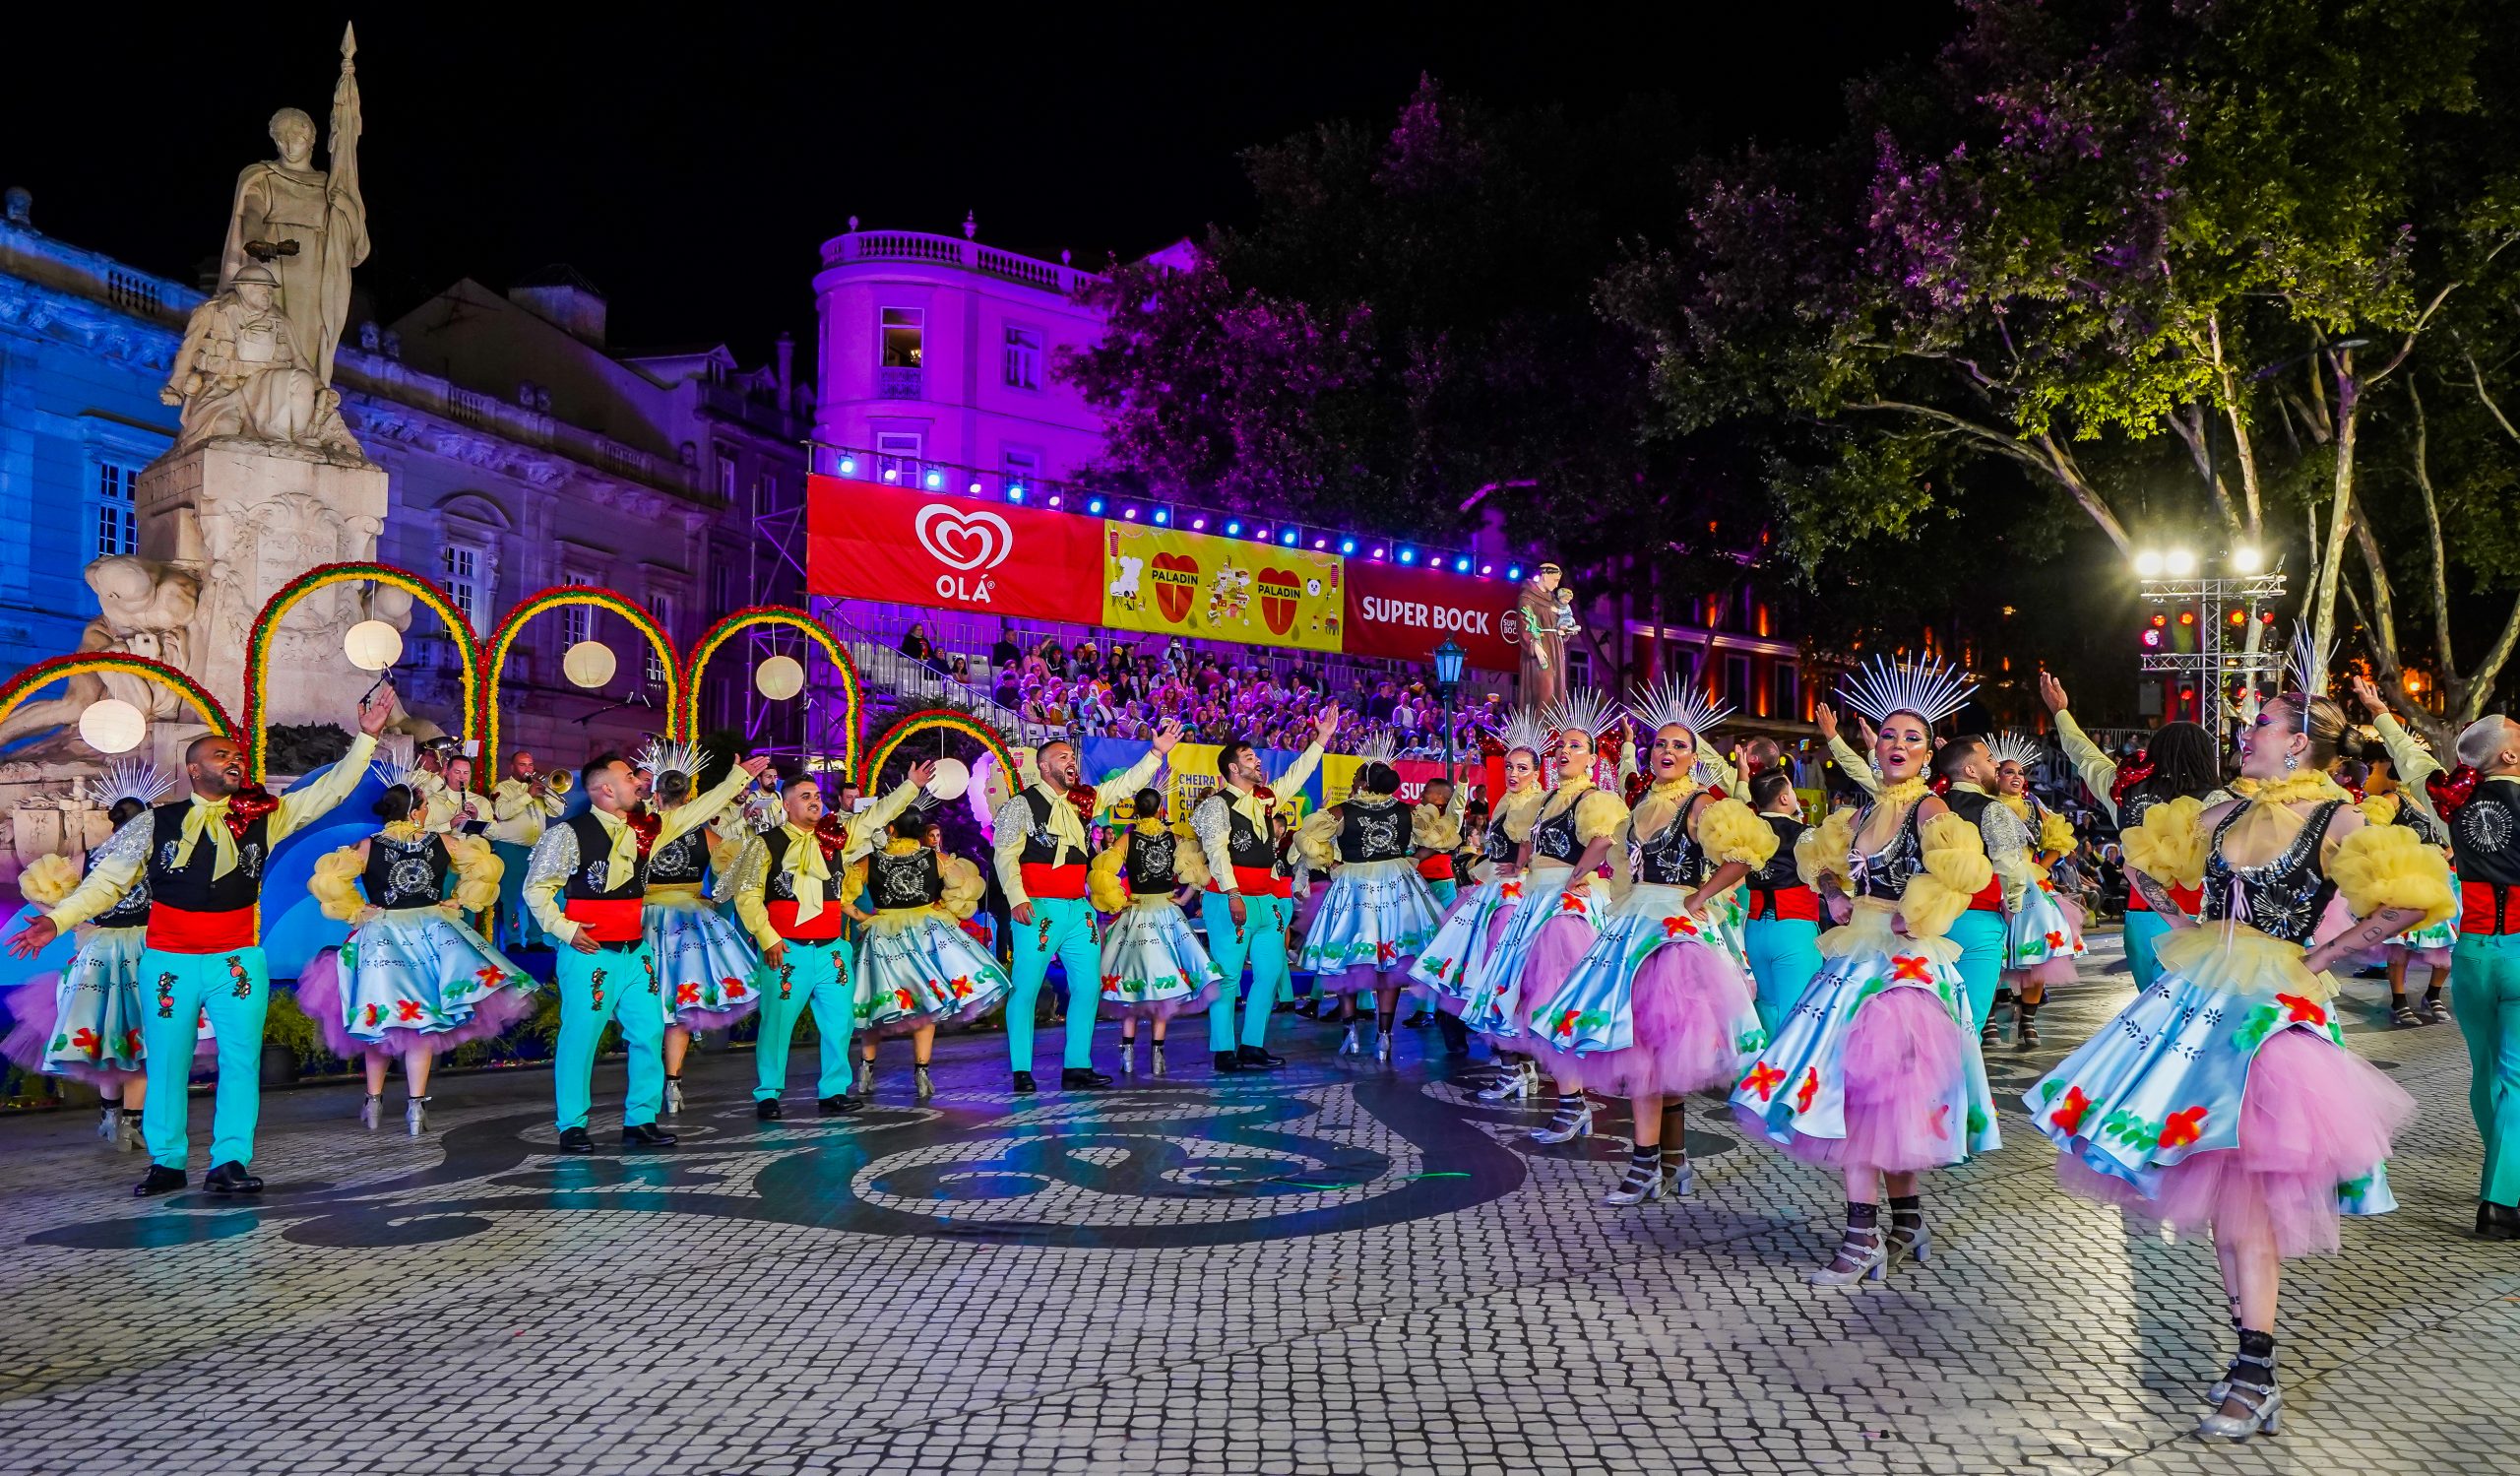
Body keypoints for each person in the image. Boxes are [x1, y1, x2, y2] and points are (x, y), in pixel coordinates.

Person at [2027, 650, 2441, 1439]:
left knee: (2248, 1194)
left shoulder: (2337, 817)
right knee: (2222, 1199)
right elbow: (2147, 867)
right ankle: (2249, 1362)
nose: (2245, 734)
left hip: (2273, 1017)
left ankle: (2255, 1365)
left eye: (2261, 725)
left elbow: (2408, 898)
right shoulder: (2220, 812)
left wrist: (2319, 957)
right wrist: (2181, 920)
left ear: (2299, 743)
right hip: (2200, 999)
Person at [9, 687, 396, 1196]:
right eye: (222, 756)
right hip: (169, 962)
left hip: (236, 960)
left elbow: (327, 793)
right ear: (195, 770)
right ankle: (166, 1162)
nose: (234, 761)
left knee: (241, 1061)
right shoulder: (154, 822)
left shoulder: (265, 815)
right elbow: (106, 883)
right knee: (168, 1062)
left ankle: (229, 1161)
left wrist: (366, 739)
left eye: (236, 756)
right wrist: (56, 922)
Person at [1730, 656, 2001, 1285]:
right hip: (1854, 958)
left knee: (1876, 1098)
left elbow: (1965, 871)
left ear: (1930, 752)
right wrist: (1833, 894)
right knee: (1867, 1100)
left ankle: (1866, 1237)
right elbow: (1819, 862)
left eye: (1912, 737)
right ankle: (1902, 1225)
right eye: (1888, 735)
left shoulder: (1932, 811)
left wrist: (1919, 913)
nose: (1897, 745)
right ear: (1871, 745)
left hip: (1903, 974)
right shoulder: (1856, 815)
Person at [1533, 681, 1771, 1205]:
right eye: (1660, 744)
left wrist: (1703, 894)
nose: (1666, 752)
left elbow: (1747, 852)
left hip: (1676, 932)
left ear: (1694, 756)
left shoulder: (1703, 802)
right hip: (1635, 921)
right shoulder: (1638, 803)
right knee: (1640, 1049)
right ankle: (1659, 1163)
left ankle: (1660, 1163)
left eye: (1679, 746)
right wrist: (1586, 878)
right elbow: (1617, 856)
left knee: (1661, 1051)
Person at [524, 747, 770, 1153]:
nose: (639, 783)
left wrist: (735, 779)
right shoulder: (568, 833)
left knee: (649, 1032)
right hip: (590, 952)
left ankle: (640, 1119)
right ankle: (571, 1124)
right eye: (628, 778)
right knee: (580, 1037)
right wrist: (565, 929)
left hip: (637, 951)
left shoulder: (645, 829)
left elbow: (692, 814)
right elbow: (536, 888)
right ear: (605, 789)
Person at [298, 763, 534, 1134]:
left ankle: (373, 1103)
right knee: (422, 1024)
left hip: (381, 936)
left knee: (378, 1020)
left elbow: (327, 879)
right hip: (432, 935)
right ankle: (415, 1108)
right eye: (424, 806)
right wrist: (460, 900)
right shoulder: (442, 841)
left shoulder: (367, 846)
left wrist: (357, 910)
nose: (427, 812)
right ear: (416, 809)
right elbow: (486, 868)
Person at [1, 762, 206, 1151]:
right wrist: (63, 921)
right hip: (147, 948)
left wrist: (64, 921)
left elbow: (45, 890)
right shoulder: (157, 857)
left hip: (105, 950)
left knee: (110, 1040)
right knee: (141, 1041)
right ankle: (129, 1123)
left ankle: (113, 1118)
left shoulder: (87, 858)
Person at [1465, 689, 1627, 1129]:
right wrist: (1521, 867)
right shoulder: (1544, 801)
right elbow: (1525, 843)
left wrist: (1579, 872)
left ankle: (1573, 1103)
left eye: (1576, 746)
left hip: (1565, 903)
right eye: (1561, 746)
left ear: (1592, 758)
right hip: (1537, 896)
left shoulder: (1593, 797)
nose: (1565, 752)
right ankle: (1566, 1100)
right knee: (1530, 999)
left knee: (1557, 1001)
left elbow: (1605, 837)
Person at [992, 725, 1182, 1091]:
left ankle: (1077, 1065)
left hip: (1077, 909)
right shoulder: (1022, 804)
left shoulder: (1082, 800)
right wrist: (1016, 898)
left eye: (1072, 757)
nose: (1071, 763)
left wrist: (1155, 754)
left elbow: (1123, 786)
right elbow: (1005, 854)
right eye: (1063, 758)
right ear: (1044, 767)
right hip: (1037, 908)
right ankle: (1021, 1069)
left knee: (1088, 986)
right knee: (1026, 988)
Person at [728, 764, 924, 1117]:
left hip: (831, 947)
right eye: (806, 797)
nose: (815, 802)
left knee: (839, 1023)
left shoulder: (835, 837)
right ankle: (768, 1093)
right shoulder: (765, 843)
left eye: (817, 796)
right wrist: (768, 938)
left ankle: (833, 1090)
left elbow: (876, 815)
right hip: (786, 949)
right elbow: (747, 895)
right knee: (776, 1025)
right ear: (787, 806)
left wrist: (911, 786)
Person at [2041, 673, 2230, 991]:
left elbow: (2085, 757)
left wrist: (2060, 711)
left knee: (2153, 1018)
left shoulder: (2124, 792)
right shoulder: (2218, 802)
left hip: (2140, 919)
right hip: (2198, 920)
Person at [1192, 708, 1338, 1073]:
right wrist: (1233, 894)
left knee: (1270, 973)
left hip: (1265, 901)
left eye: (1256, 756)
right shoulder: (1216, 805)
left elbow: (1296, 775)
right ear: (1232, 769)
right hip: (1231, 900)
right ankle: (1224, 1051)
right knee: (1227, 975)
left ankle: (1253, 1045)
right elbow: (1216, 853)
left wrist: (1320, 740)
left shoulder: (1264, 799)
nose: (1258, 761)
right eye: (1249, 758)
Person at [633, 740, 766, 1114]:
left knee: (648, 1004)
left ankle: (648, 1084)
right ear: (690, 795)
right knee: (682, 1007)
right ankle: (673, 1082)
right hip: (692, 922)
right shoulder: (707, 835)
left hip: (646, 920)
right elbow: (732, 878)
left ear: (656, 797)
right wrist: (712, 898)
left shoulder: (645, 830)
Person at [1292, 745, 1448, 1062]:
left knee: (1349, 958)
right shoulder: (1408, 811)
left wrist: (1331, 862)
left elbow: (1306, 841)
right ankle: (1385, 1035)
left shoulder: (1341, 811)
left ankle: (1350, 1031)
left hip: (1355, 886)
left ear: (1363, 783)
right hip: (1396, 885)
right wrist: (1411, 860)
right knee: (1391, 966)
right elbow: (1438, 839)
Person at [844, 810, 1012, 1097]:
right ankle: (922, 1074)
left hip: (883, 936)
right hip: (927, 933)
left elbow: (841, 895)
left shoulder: (870, 860)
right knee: (928, 1006)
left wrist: (863, 917)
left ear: (892, 830)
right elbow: (963, 892)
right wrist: (947, 913)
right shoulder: (935, 859)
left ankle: (865, 1070)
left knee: (875, 1006)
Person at [1412, 713, 1550, 1059]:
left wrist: (1521, 864)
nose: (1513, 774)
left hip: (1518, 894)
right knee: (1470, 961)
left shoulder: (1540, 802)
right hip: (1494, 887)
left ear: (1536, 772)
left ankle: (1518, 1058)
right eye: (1509, 767)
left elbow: (1540, 843)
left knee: (1508, 970)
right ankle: (1507, 1059)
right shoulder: (1504, 800)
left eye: (1522, 768)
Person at [2439, 712, 2520, 1239]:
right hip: (2519, 950)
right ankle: (2501, 1198)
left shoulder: (2453, 801)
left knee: (2484, 1071)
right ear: (2508, 756)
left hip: (2469, 953)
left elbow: (2411, 759)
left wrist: (2382, 715)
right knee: (2516, 1076)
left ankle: (2502, 1179)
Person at [2348, 675, 2459, 1026]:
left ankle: (2433, 996)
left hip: (2441, 881)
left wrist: (2449, 853)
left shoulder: (2444, 799)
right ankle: (2399, 1001)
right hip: (2406, 882)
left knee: (2443, 944)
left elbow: (2460, 837)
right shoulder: (2395, 800)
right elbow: (2372, 834)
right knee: (2401, 945)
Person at [1089, 788, 1223, 1076]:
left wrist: (1118, 900)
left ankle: (1127, 1054)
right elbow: (1200, 871)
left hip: (1136, 913)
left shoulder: (1126, 839)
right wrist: (1184, 899)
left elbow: (1101, 874)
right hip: (1166, 913)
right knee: (1165, 987)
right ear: (1161, 809)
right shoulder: (1173, 839)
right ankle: (1158, 1055)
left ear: (1136, 810)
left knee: (1131, 983)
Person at [1918, 734, 2027, 1050]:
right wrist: (2013, 907)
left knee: (1931, 1014)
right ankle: (1958, 1093)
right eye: (1990, 761)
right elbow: (2010, 865)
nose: (1996, 767)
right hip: (1977, 918)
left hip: (1928, 919)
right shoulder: (1992, 809)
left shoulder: (1924, 807)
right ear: (1970, 770)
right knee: (1969, 1020)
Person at [1985, 732, 2085, 1048]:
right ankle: (1987, 1018)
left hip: (2033, 886)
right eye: (2008, 771)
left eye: (2020, 772)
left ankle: (2027, 1021)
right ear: (1995, 776)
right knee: (1991, 955)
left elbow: (2058, 840)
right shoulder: (1984, 806)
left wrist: (2041, 867)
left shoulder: (2034, 805)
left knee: (2042, 954)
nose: (2016, 777)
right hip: (1992, 880)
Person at [1739, 767, 1824, 1035]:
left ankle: (1763, 1073)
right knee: (1799, 1015)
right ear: (1784, 799)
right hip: (1793, 928)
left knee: (1767, 1007)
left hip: (1754, 930)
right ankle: (1791, 1076)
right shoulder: (1805, 833)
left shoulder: (1745, 831)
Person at [1401, 772, 1469, 1028]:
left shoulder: (1449, 820)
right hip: (1420, 886)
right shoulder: (1420, 818)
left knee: (1439, 947)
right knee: (1424, 946)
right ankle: (1431, 1007)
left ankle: (1433, 1008)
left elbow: (1459, 803)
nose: (1422, 793)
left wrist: (1462, 780)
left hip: (1441, 886)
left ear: (1441, 796)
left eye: (1427, 790)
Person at [487, 750, 568, 949]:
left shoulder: (539, 788)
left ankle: (536, 940)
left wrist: (546, 792)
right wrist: (527, 795)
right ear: (512, 767)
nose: (528, 769)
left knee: (538, 894)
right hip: (511, 849)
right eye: (522, 765)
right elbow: (501, 812)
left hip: (537, 850)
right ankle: (513, 941)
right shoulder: (503, 788)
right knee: (511, 897)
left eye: (530, 765)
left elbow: (559, 811)